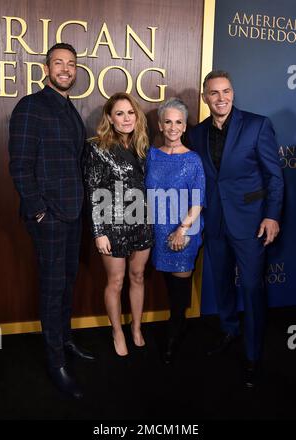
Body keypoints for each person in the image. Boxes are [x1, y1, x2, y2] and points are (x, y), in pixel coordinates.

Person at [9, 42, 95, 400]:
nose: (66, 69)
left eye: (71, 64)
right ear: (46, 69)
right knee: (52, 286)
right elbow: (19, 165)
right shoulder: (31, 106)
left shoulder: (68, 108)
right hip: (49, 217)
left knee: (66, 282)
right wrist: (38, 210)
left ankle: (63, 340)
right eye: (59, 63)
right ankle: (55, 361)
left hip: (72, 213)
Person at [188, 70, 284, 387]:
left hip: (251, 223)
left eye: (226, 91)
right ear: (205, 97)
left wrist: (272, 216)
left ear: (233, 93)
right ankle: (229, 330)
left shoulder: (257, 125)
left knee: (253, 289)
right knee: (222, 284)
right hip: (214, 222)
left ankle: (253, 354)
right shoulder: (196, 134)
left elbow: (274, 176)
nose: (221, 98)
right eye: (214, 93)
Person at [84, 92, 153, 357]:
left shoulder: (143, 146)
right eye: (120, 114)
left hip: (141, 222)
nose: (126, 118)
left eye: (130, 113)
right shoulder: (96, 147)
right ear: (110, 119)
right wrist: (99, 232)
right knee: (116, 281)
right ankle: (117, 331)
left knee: (137, 277)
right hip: (112, 225)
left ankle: (136, 327)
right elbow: (92, 191)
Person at [145, 97, 205, 365]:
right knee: (168, 284)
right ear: (160, 124)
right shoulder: (151, 155)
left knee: (179, 292)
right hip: (158, 231)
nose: (172, 127)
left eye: (178, 122)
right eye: (167, 121)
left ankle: (174, 335)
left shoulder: (193, 160)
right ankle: (176, 326)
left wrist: (182, 230)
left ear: (184, 126)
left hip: (185, 230)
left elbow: (198, 202)